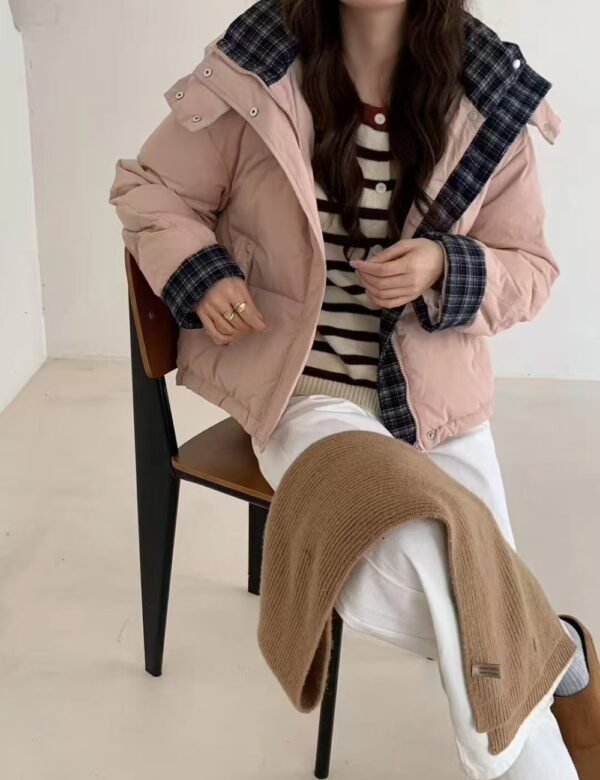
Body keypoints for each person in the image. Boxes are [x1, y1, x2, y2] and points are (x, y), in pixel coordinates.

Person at [109, 1, 599, 777]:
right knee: (451, 577)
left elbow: (529, 270)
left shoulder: (488, 96)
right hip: (308, 395)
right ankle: (558, 654)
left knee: (479, 603)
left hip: (437, 404)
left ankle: (549, 661)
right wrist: (203, 274)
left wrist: (444, 266)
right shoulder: (258, 72)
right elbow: (149, 191)